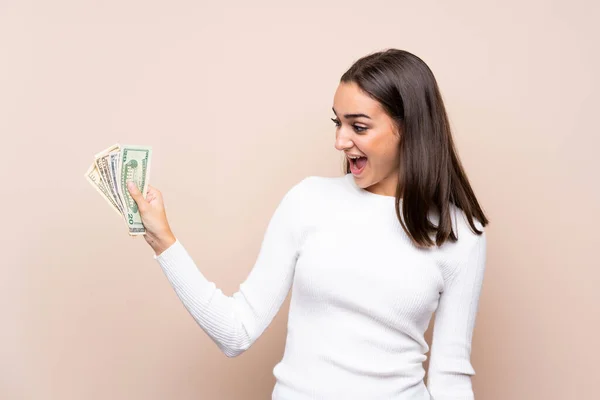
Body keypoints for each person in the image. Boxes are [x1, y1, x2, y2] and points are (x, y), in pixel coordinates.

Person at [126, 49, 489, 399]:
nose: (339, 141)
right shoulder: (309, 201)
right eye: (338, 123)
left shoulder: (460, 234)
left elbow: (450, 383)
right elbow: (235, 332)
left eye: (358, 126)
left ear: (409, 129)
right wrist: (163, 240)